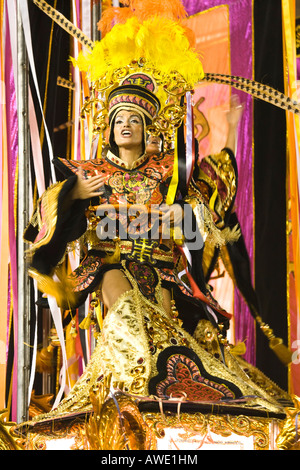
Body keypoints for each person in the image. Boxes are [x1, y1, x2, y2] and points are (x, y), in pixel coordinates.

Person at [24, 75, 286, 421]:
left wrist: (183, 214)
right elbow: (44, 217)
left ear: (148, 128)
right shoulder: (92, 174)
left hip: (161, 271)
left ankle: (161, 411)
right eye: (119, 119)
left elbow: (201, 217)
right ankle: (124, 401)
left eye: (134, 119)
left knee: (164, 339)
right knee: (128, 317)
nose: (126, 125)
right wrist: (74, 194)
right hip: (111, 265)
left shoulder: (167, 172)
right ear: (109, 128)